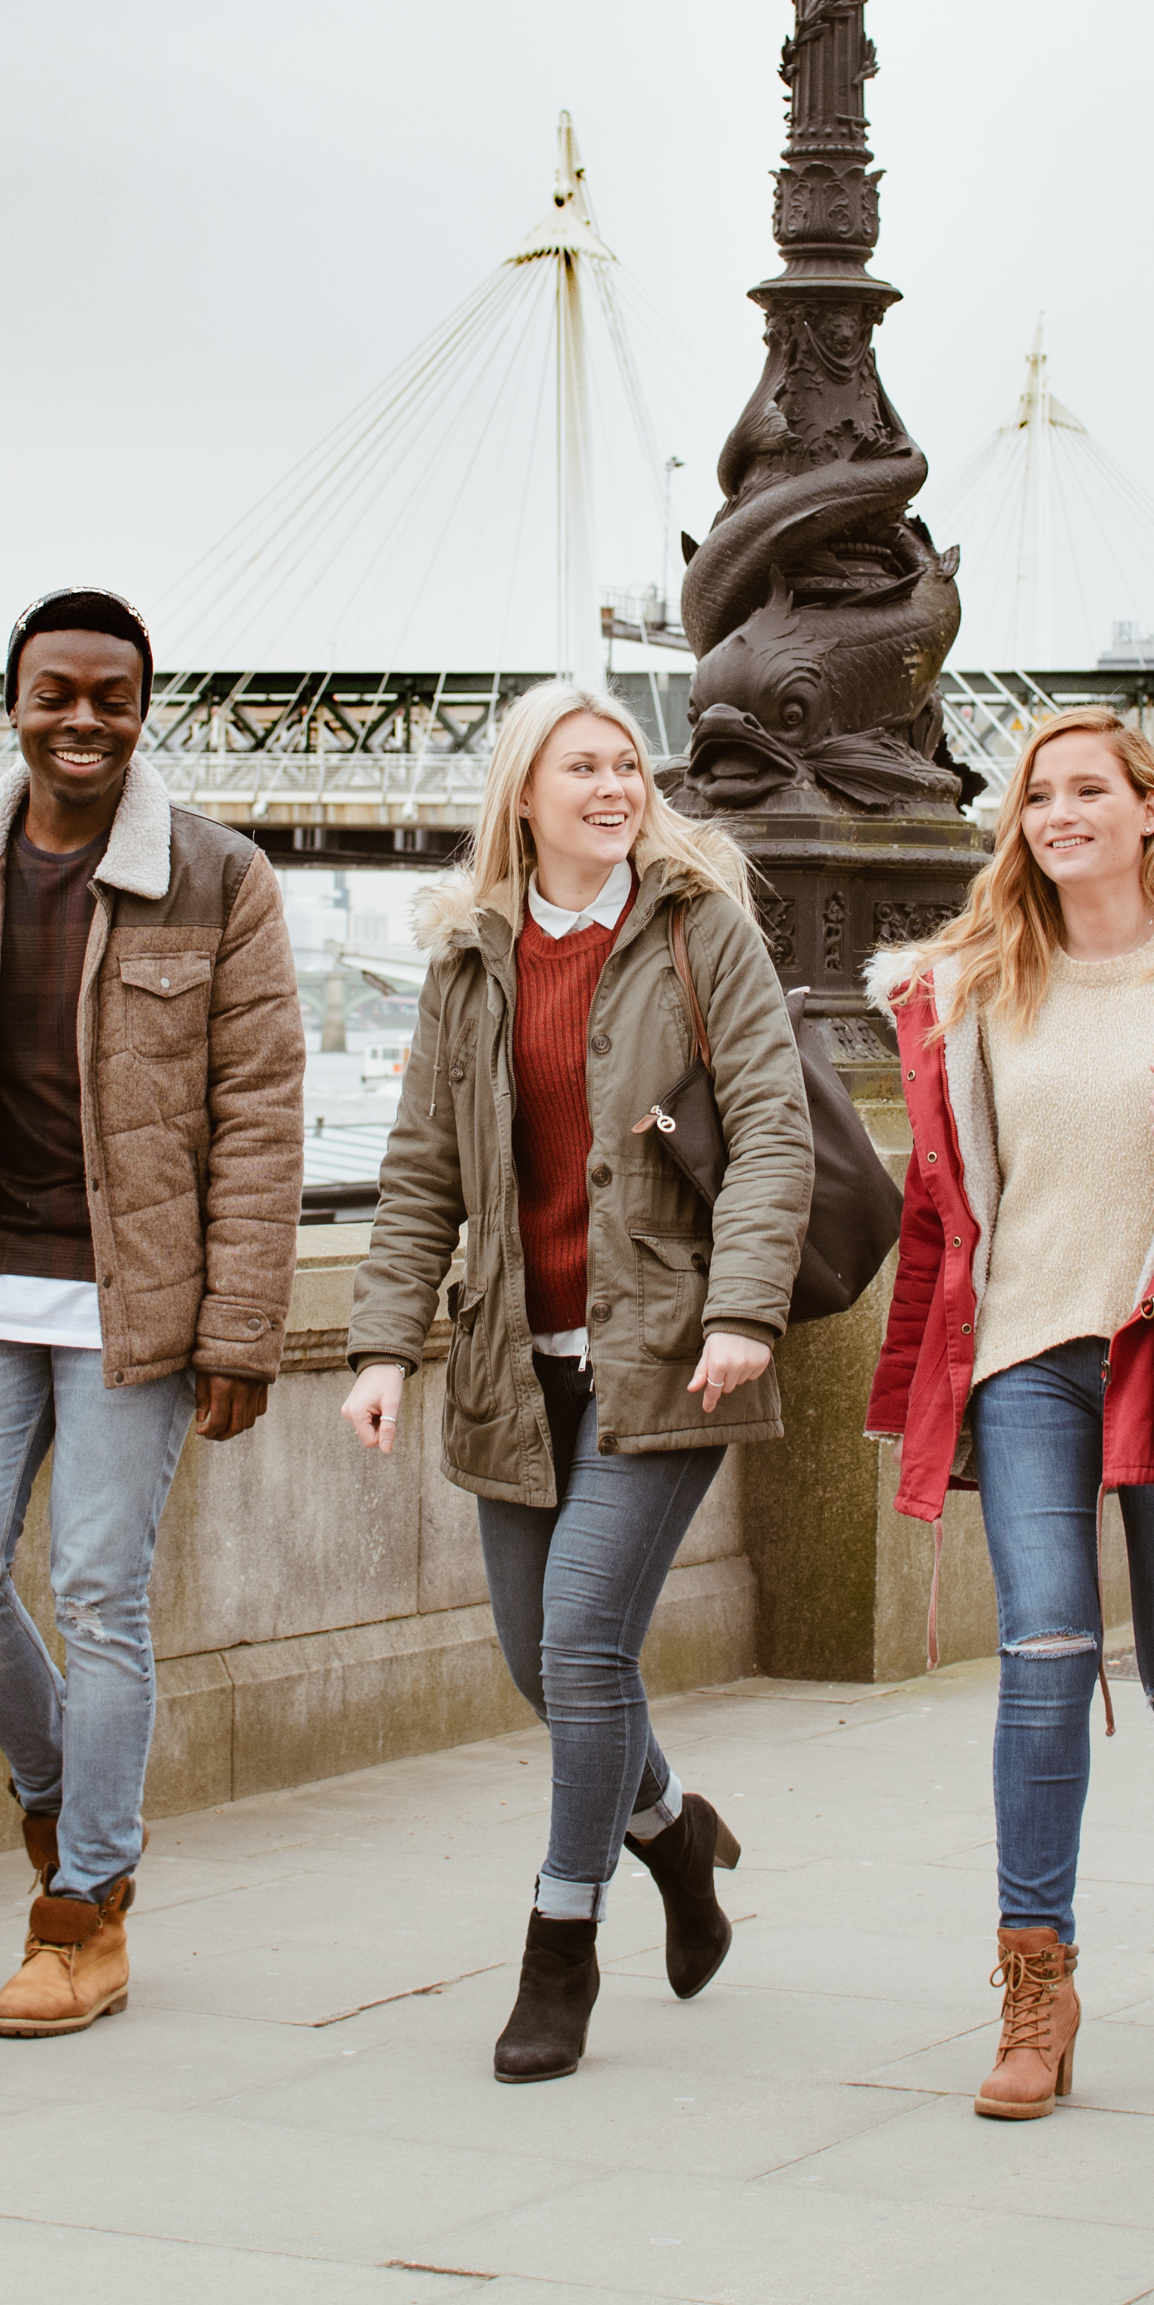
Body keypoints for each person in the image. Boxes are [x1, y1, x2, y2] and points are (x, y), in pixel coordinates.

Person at [0, 589, 305, 2040]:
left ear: (143, 708)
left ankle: (84, 1909)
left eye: (112, 696)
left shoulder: (219, 879)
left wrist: (242, 1330)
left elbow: (261, 1117)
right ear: (16, 704)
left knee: (103, 1594)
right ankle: (67, 1791)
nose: (84, 720)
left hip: (134, 1306)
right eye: (58, 694)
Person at [860, 709, 1154, 2122]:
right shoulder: (965, 986)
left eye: (1087, 790)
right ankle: (1035, 1986)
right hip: (1025, 1358)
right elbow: (942, 1212)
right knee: (1045, 1652)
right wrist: (913, 1385)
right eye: (1036, 795)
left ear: (1146, 809)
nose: (1058, 812)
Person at [342, 679, 811, 2084]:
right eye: (583, 766)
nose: (616, 786)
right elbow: (426, 1166)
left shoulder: (696, 932)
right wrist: (380, 1342)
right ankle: (673, 1833)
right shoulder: (470, 960)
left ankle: (562, 1945)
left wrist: (745, 1311)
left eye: (628, 764)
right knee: (538, 1663)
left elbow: (776, 1133)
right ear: (524, 797)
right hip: (510, 1363)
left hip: (665, 1360)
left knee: (586, 1648)